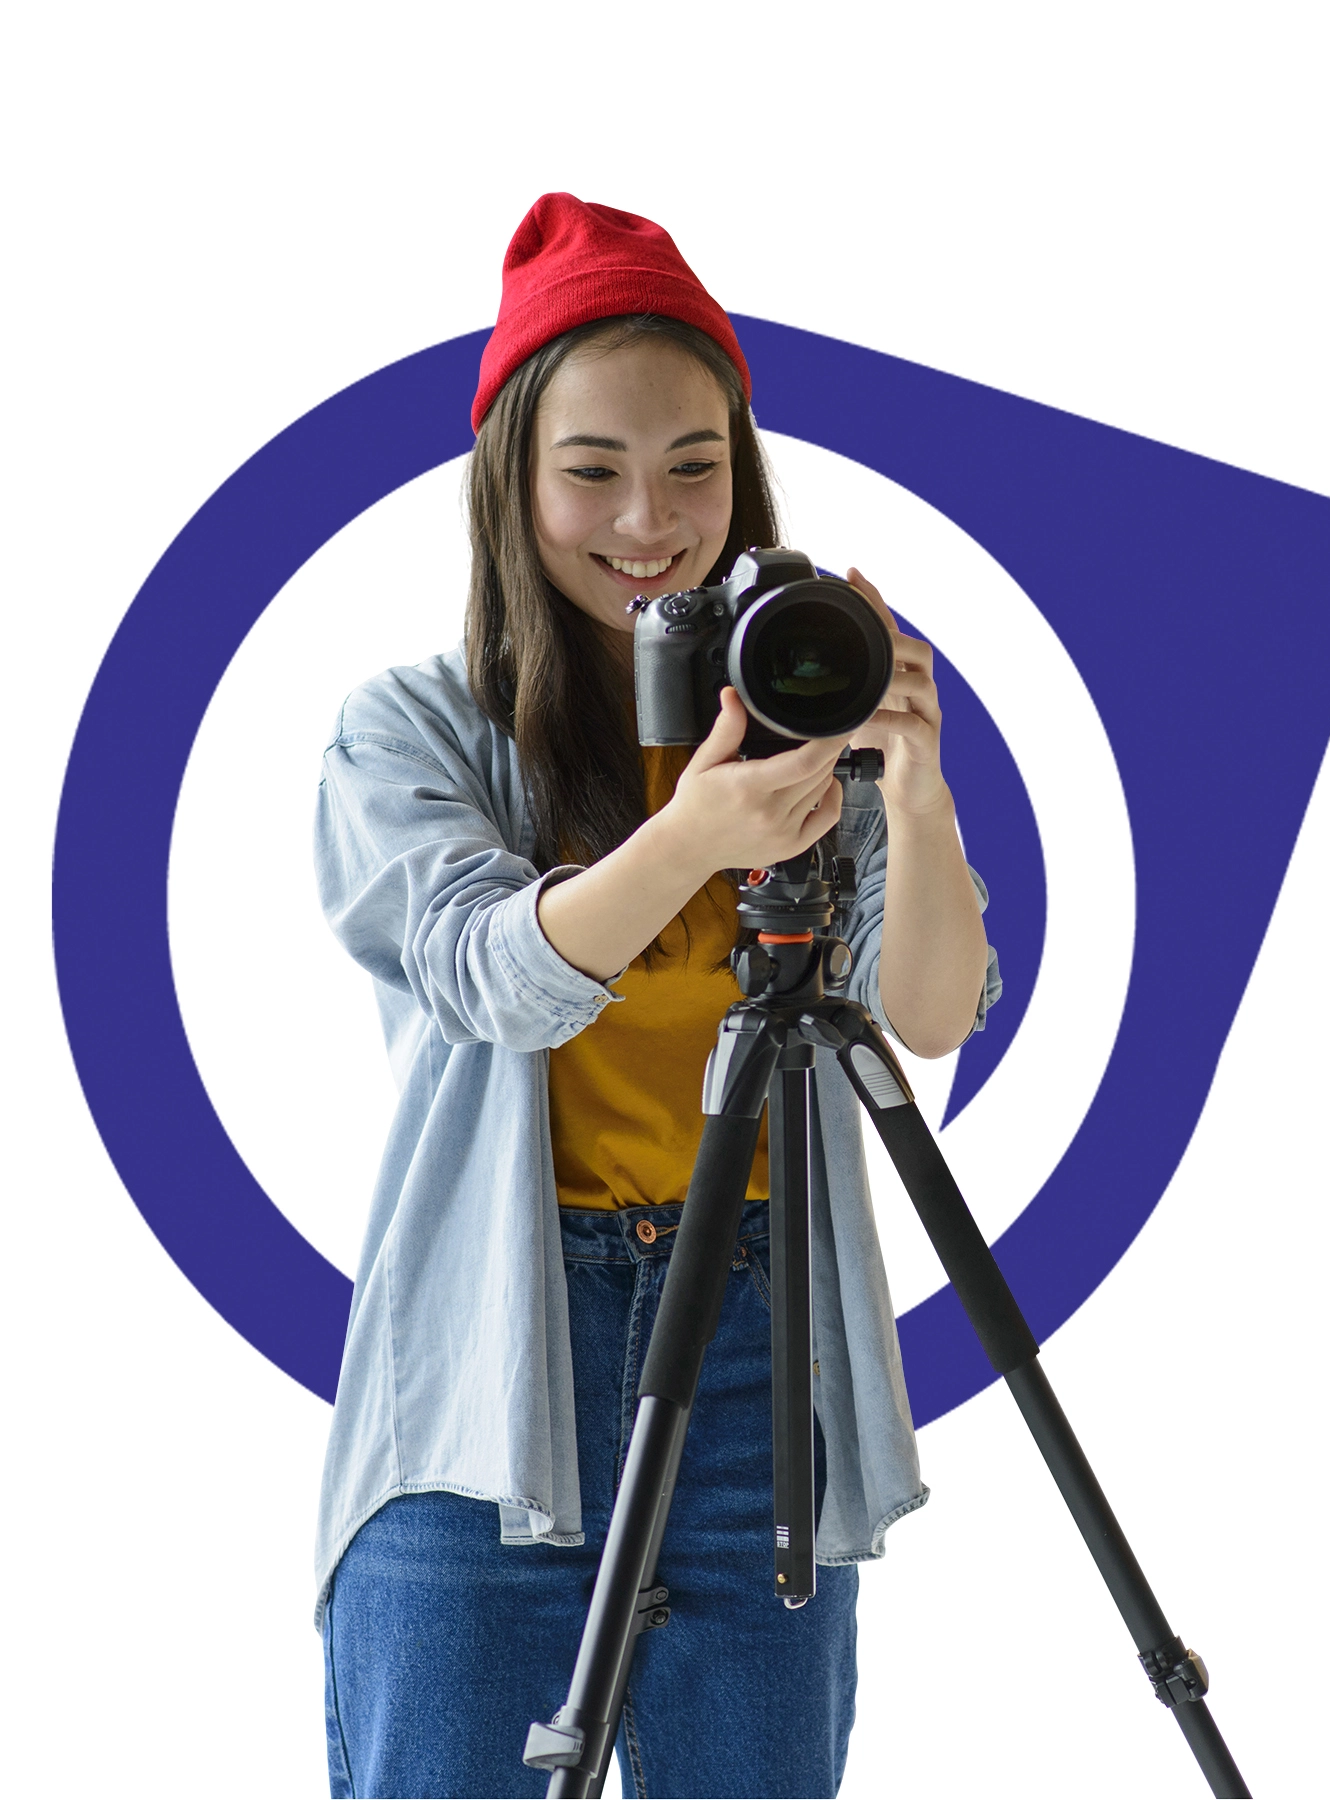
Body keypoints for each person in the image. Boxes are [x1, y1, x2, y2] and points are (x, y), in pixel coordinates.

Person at [314, 193, 1001, 1800]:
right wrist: (691, 833)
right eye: (594, 471)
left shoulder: (798, 712)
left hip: (763, 1335)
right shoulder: (411, 729)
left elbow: (937, 1009)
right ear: (511, 485)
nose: (650, 519)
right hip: (494, 1350)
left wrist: (911, 785)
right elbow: (496, 975)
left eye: (695, 465)